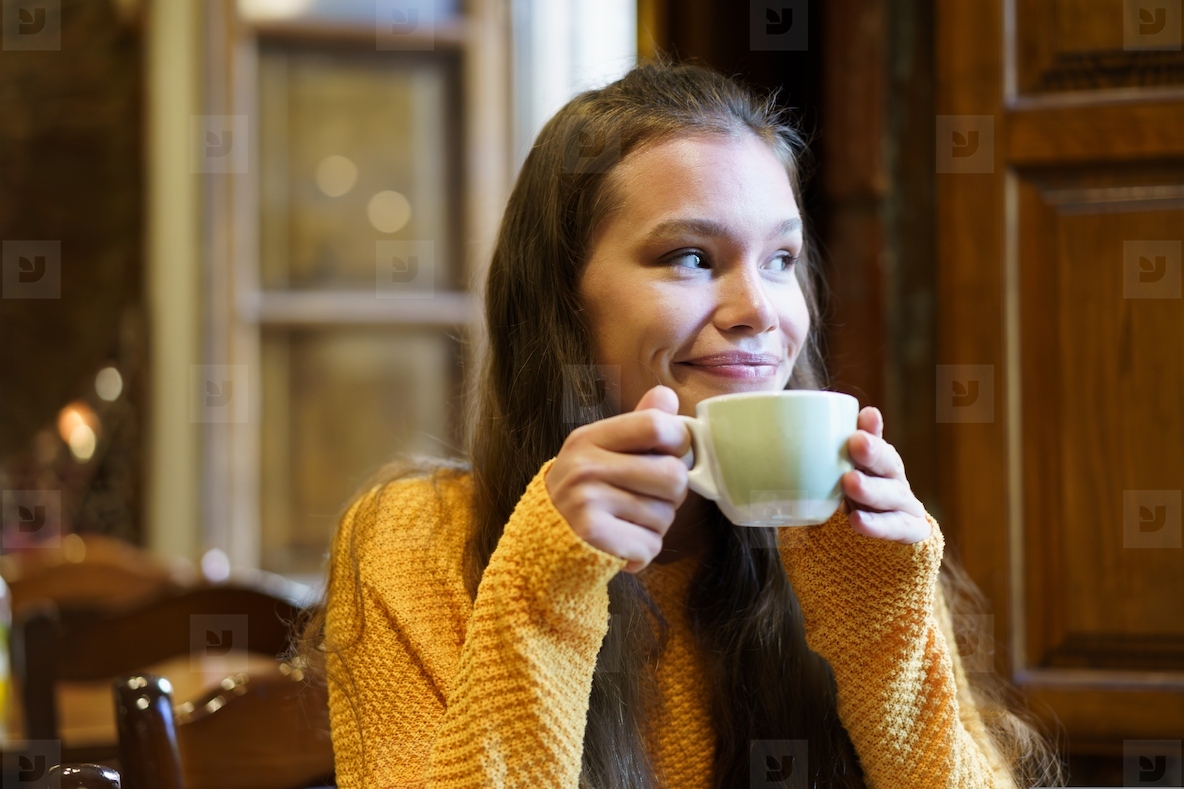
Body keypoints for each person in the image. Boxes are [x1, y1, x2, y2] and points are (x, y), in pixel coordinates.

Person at [302, 60, 1065, 789]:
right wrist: (545, 584)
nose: (760, 310)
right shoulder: (416, 541)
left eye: (781, 258)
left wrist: (883, 635)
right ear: (561, 298)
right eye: (692, 257)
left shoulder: (856, 548)